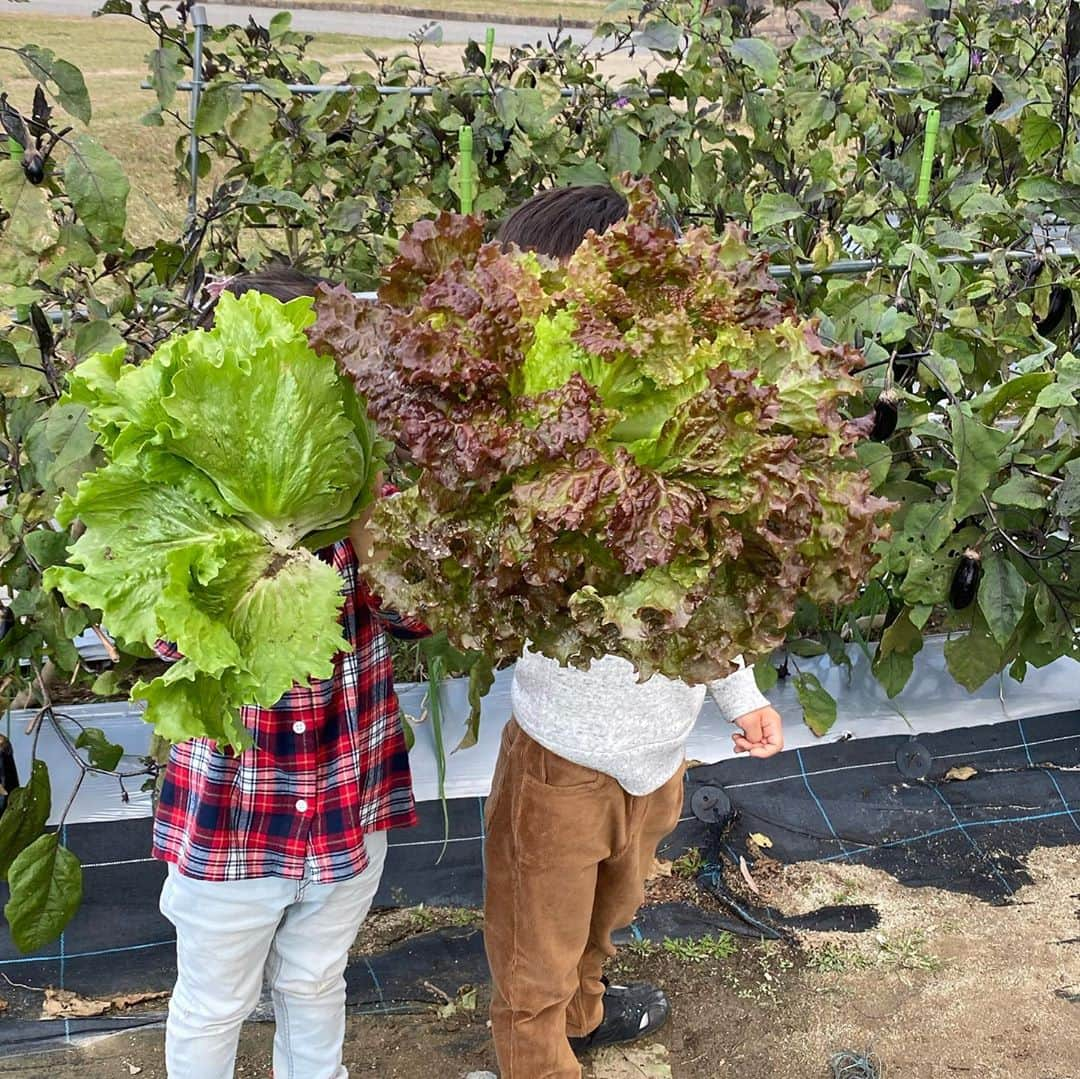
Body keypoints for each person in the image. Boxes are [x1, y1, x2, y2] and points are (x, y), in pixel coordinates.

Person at [482, 186, 786, 1079]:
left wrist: (745, 695)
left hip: (659, 756)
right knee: (534, 947)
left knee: (607, 918)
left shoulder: (679, 429)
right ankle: (538, 1054)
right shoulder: (525, 436)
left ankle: (585, 1015)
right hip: (560, 762)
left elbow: (711, 593)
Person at [153, 265, 427, 1079]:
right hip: (233, 826)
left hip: (347, 810)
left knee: (315, 979)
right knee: (214, 1002)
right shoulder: (191, 504)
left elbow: (418, 614)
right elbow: (158, 636)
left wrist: (372, 520)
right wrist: (244, 555)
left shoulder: (361, 500)